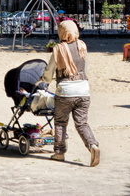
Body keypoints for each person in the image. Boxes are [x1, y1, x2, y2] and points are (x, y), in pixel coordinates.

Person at [41, 20, 100, 167]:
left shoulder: (59, 48)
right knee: (82, 123)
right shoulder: (82, 46)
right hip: (83, 89)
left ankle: (59, 153)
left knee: (60, 123)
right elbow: (85, 68)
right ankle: (92, 145)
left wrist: (45, 81)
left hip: (66, 90)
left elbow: (49, 70)